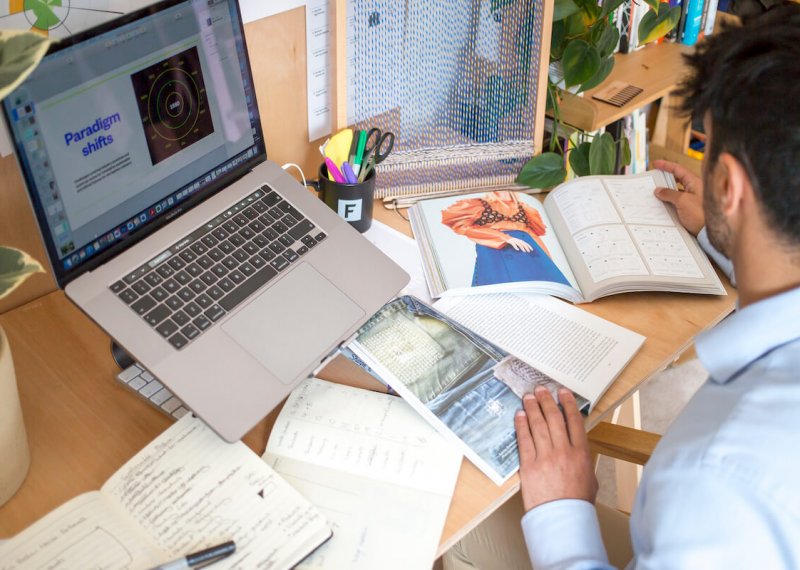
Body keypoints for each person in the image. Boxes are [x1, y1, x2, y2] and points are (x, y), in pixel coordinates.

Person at [443, 5, 800, 568]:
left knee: (461, 529)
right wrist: (718, 231)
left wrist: (564, 510)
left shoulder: (723, 480)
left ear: (728, 185)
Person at [441, 190, 571, 287]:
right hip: (497, 252)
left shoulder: (524, 207)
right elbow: (463, 227)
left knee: (547, 290)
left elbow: (532, 235)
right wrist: (503, 238)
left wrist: (547, 261)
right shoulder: (478, 204)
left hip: (529, 254)